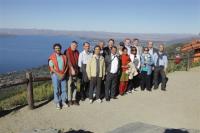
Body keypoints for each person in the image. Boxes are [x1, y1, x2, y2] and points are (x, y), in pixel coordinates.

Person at [48, 43, 68, 109]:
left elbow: (66, 66)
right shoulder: (52, 57)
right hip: (55, 75)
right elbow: (52, 68)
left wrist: (64, 73)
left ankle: (63, 101)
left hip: (63, 74)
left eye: (58, 48)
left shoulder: (64, 56)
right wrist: (58, 74)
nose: (57, 49)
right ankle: (57, 102)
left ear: (60, 49)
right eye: (56, 48)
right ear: (54, 49)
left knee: (64, 89)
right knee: (56, 89)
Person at [64, 41, 80, 105]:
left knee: (75, 86)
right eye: (73, 45)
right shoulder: (67, 51)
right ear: (70, 45)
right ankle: (69, 99)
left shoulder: (77, 52)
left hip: (76, 71)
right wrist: (72, 69)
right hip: (70, 72)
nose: (74, 47)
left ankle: (74, 99)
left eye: (75, 46)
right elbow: (68, 61)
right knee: (70, 86)